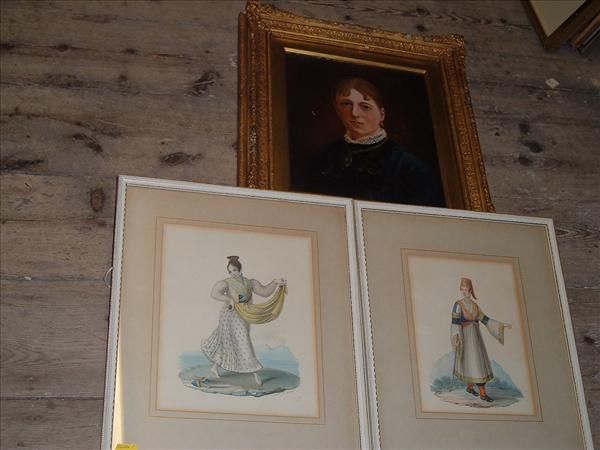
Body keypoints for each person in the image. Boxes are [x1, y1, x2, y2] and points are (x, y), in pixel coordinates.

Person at [308, 77, 445, 206]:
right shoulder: (323, 156)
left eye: (365, 106)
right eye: (346, 104)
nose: (354, 113)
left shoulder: (407, 166)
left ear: (382, 114)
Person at [201, 256, 287, 386]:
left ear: (240, 269)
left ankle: (215, 367)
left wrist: (275, 282)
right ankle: (255, 372)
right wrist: (230, 299)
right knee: (240, 342)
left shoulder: (249, 282)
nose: (232, 273)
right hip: (230, 314)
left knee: (235, 341)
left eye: (234, 270)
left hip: (245, 314)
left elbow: (264, 292)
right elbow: (214, 293)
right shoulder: (226, 283)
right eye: (230, 271)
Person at [450, 277, 512, 402]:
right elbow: (455, 323)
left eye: (466, 289)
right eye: (462, 289)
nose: (464, 292)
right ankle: (481, 393)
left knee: (476, 362)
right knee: (472, 362)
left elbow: (485, 320)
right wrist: (456, 336)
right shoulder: (458, 305)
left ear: (471, 290)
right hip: (465, 337)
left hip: (476, 337)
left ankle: (471, 388)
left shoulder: (475, 306)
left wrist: (502, 325)